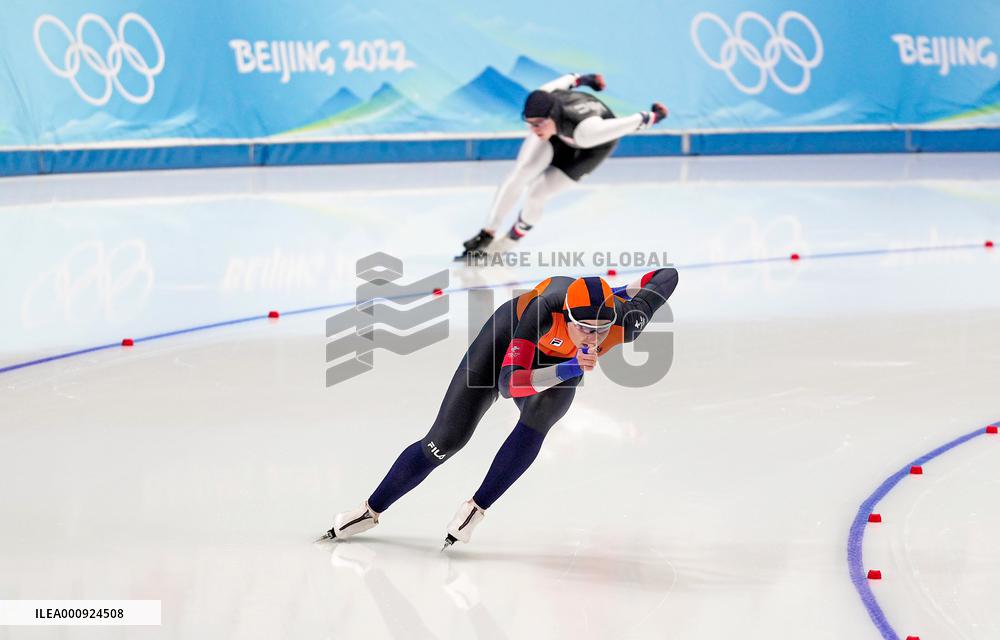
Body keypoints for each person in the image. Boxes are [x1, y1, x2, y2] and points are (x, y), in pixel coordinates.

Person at [321, 267, 679, 547]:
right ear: (567, 317)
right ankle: (370, 510)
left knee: (542, 417)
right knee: (446, 440)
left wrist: (622, 293)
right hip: (504, 345)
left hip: (560, 366)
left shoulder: (624, 322)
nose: (593, 337)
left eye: (601, 330)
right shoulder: (542, 311)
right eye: (584, 328)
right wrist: (573, 366)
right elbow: (510, 385)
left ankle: (475, 510)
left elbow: (667, 276)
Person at [455, 73, 669, 261]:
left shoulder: (590, 131)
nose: (534, 128)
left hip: (589, 148)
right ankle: (487, 234)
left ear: (551, 116)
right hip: (559, 133)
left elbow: (630, 123)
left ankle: (510, 241)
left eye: (538, 123)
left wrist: (654, 115)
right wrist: (589, 80)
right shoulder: (544, 95)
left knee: (537, 193)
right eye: (529, 123)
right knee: (522, 171)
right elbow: (571, 79)